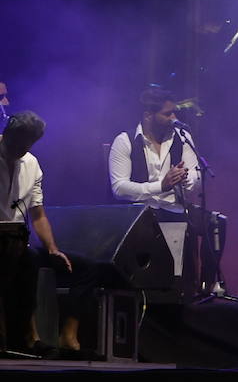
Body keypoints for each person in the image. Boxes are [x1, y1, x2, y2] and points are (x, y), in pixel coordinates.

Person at [108, 85, 217, 296]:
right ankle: (171, 287)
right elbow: (119, 188)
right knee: (173, 223)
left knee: (215, 222)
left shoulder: (181, 136)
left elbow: (195, 175)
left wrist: (185, 180)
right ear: (148, 115)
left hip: (174, 206)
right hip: (141, 213)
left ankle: (205, 288)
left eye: (174, 112)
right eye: (168, 113)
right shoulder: (125, 141)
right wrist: (161, 185)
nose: (174, 117)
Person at [0, 111, 94, 354]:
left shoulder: (31, 163)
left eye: (27, 145)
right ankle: (23, 336)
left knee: (85, 268)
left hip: (18, 242)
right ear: (8, 135)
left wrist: (52, 249)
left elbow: (38, 214)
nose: (22, 149)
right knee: (22, 265)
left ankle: (63, 338)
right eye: (18, 144)